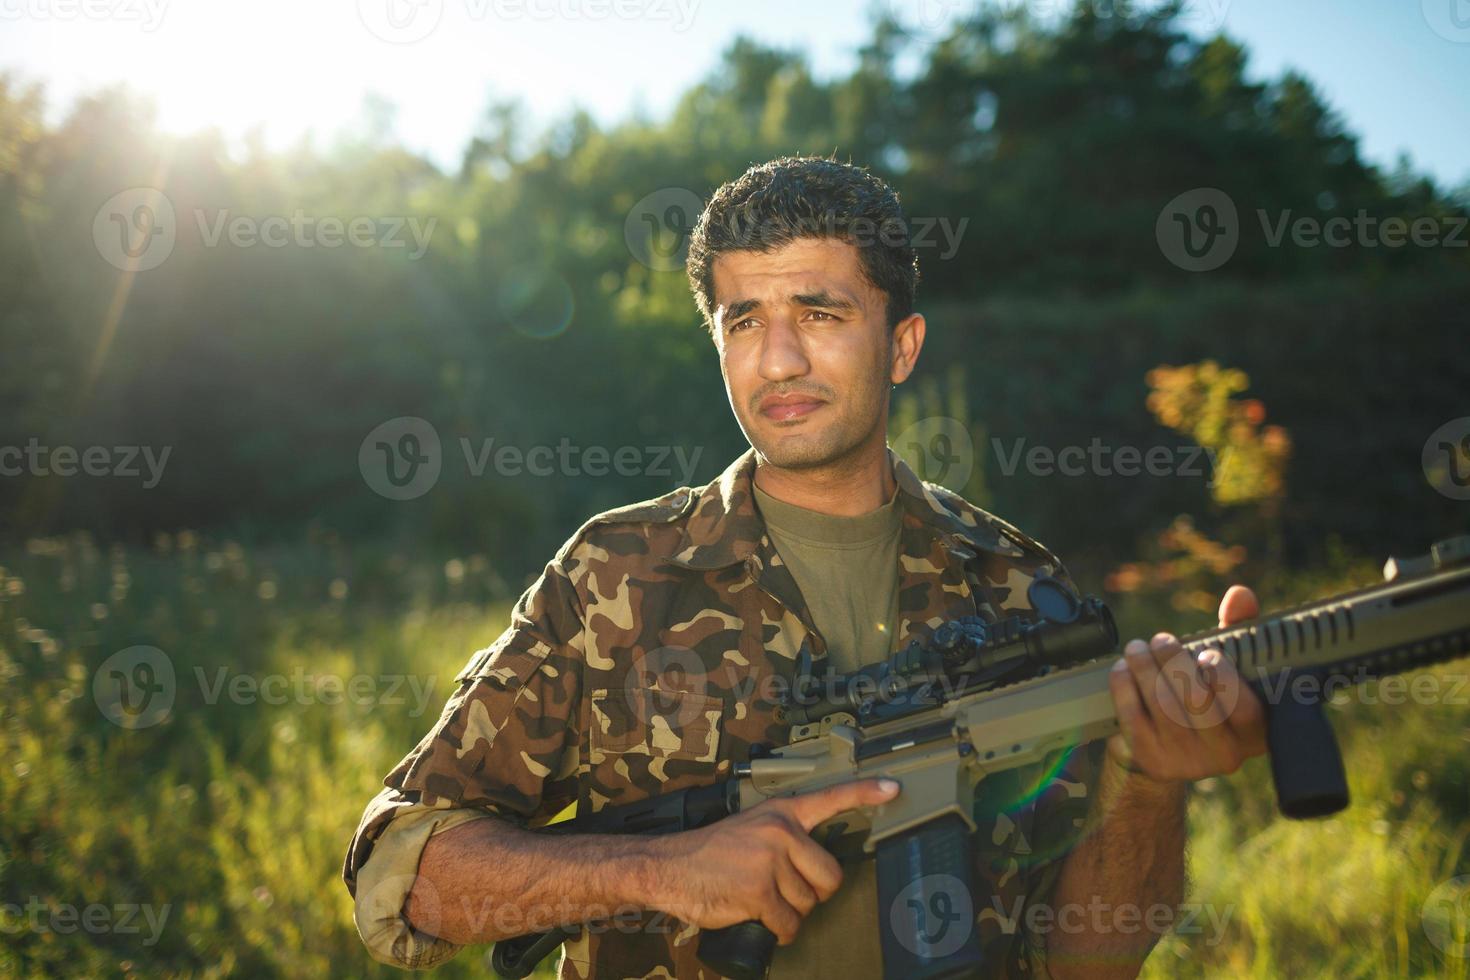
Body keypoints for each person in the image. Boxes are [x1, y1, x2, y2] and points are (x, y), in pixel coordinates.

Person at [343, 156, 1267, 980]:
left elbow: (1086, 961)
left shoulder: (1022, 588)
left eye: (820, 314)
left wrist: (1151, 779)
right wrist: (666, 872)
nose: (778, 359)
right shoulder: (614, 577)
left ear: (902, 345)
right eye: (745, 321)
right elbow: (401, 869)